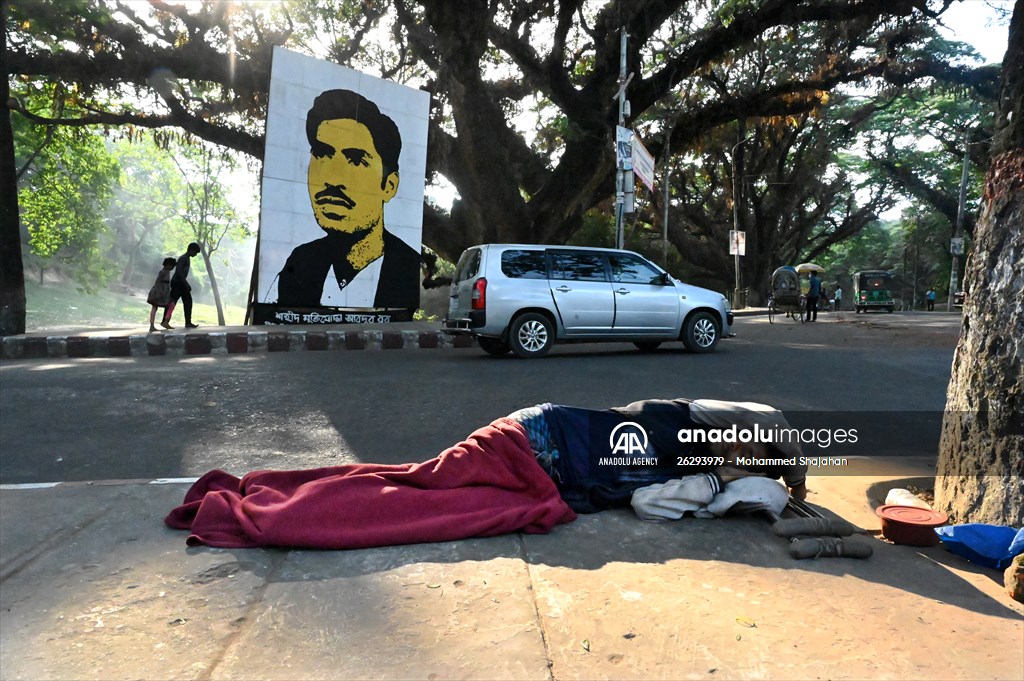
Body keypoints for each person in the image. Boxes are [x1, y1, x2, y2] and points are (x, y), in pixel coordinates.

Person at [166, 397, 808, 549]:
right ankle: (264, 502)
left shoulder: (687, 417)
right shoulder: (702, 456)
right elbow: (648, 505)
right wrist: (725, 488)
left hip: (525, 438)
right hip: (527, 452)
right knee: (409, 496)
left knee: (410, 486)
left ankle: (270, 492)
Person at [274, 89, 420, 310]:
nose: (332, 178)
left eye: (355, 160)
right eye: (322, 155)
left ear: (389, 186)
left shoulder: (408, 266)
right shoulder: (300, 262)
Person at [162, 242, 201, 330]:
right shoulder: (183, 258)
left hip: (181, 283)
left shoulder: (187, 258)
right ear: (191, 250)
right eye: (195, 252)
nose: (195, 254)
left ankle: (188, 322)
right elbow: (179, 271)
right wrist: (186, 283)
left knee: (188, 302)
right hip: (178, 283)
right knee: (172, 301)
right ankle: (164, 321)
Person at [146, 257, 176, 332]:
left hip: (165, 291)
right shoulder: (162, 272)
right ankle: (152, 325)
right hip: (159, 291)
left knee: (171, 304)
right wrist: (158, 293)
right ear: (168, 265)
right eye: (172, 266)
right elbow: (158, 282)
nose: (173, 268)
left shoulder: (167, 271)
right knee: (155, 307)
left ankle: (165, 321)